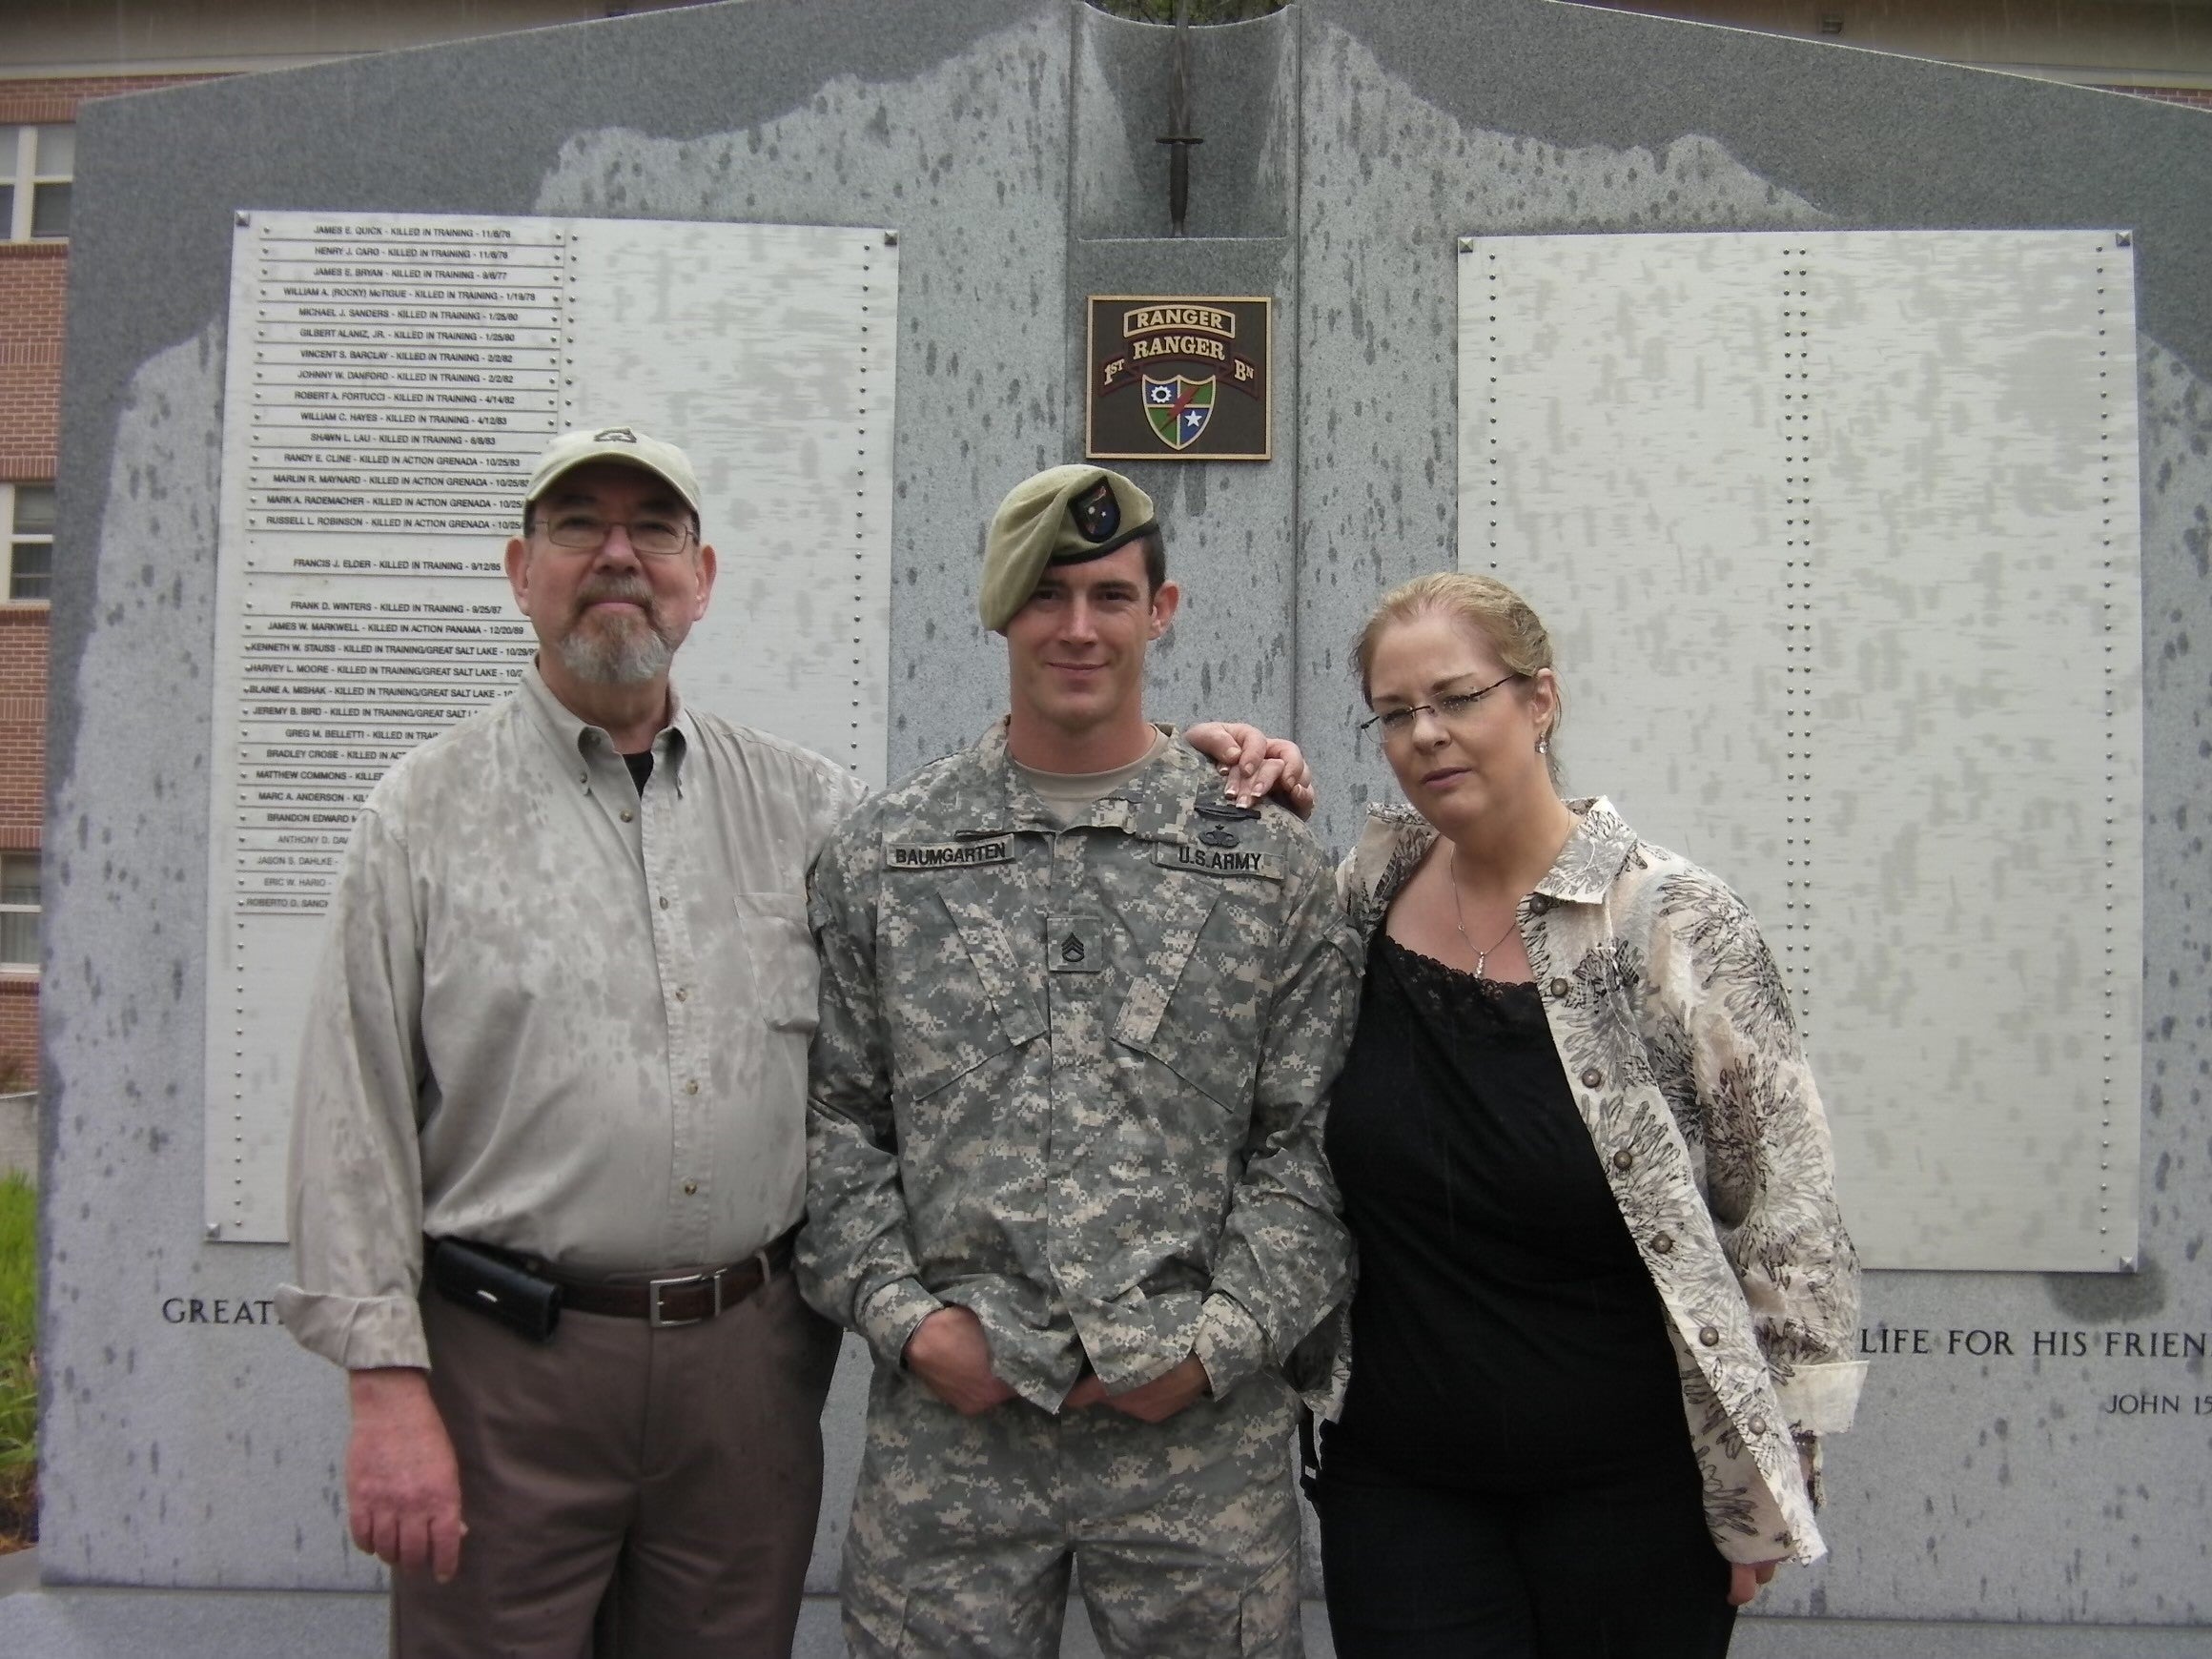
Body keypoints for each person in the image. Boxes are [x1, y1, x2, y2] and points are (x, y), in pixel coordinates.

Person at [276, 427, 1305, 1659]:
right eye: (578, 528)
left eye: (653, 531)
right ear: (518, 568)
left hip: (744, 1377)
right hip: (512, 1368)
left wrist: (1202, 765)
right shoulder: (420, 816)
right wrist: (384, 1384)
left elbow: (1031, 834)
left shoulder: (811, 813)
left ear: (700, 578)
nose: (619, 558)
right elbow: (354, 1114)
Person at [799, 463, 1361, 1659]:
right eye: (1045, 596)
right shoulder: (886, 855)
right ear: (999, 610)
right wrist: (908, 1322)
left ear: (1161, 612)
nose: (1076, 628)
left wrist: (1215, 1345)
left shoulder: (1266, 863)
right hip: (954, 1437)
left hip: (1193, 1445)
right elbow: (838, 1125)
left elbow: (1308, 1143)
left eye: (1110, 596)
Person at [1313, 571, 1865, 1659]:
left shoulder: (1671, 921)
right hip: (1403, 1489)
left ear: (1539, 701)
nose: (1426, 735)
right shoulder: (1363, 900)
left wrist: (1775, 1477)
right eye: (1394, 712)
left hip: (1632, 1497)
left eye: (1458, 697)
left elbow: (1787, 1217)